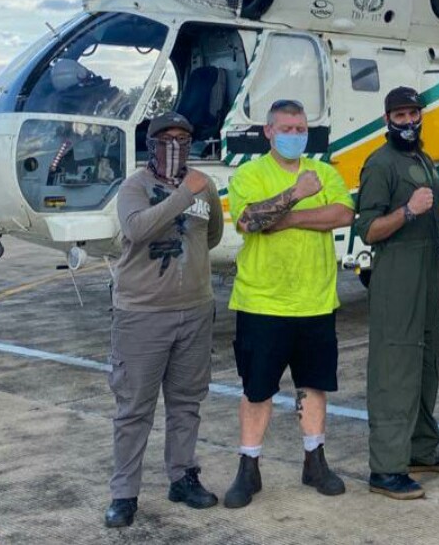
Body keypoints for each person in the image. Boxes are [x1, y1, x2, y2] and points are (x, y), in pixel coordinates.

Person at [223, 99, 355, 508]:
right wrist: (297, 194)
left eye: (301, 130)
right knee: (257, 389)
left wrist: (286, 217)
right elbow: (247, 221)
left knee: (314, 385)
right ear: (268, 132)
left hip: (315, 301)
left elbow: (343, 214)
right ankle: (248, 468)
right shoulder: (249, 173)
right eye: (287, 129)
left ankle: (314, 460)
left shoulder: (325, 172)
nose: (295, 136)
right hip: (262, 302)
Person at [104, 112, 223, 529]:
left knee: (187, 402)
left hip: (194, 309)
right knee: (134, 408)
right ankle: (124, 493)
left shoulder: (203, 185)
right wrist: (182, 196)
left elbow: (212, 235)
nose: (175, 145)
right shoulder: (135, 186)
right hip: (142, 315)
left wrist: (193, 195)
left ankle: (182, 476)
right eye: (166, 138)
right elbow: (137, 230)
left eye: (183, 138)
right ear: (151, 144)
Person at [356, 86, 439, 499]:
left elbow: (432, 228)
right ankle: (385, 467)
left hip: (426, 269)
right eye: (399, 116)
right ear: (387, 120)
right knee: (394, 366)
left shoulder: (422, 158)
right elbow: (367, 229)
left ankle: (420, 448)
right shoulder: (379, 164)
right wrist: (407, 211)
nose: (408, 122)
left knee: (425, 361)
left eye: (413, 113)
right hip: (396, 271)